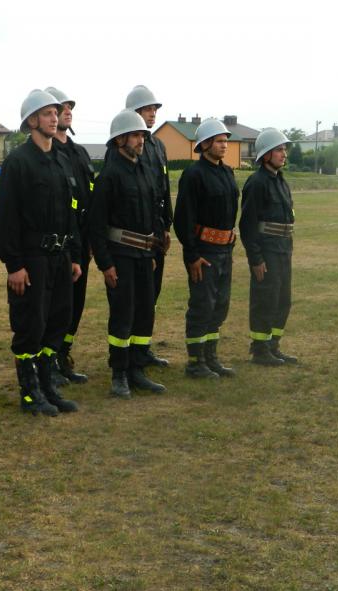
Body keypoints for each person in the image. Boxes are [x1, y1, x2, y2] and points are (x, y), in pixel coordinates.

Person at [0, 89, 82, 416]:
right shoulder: (18, 162)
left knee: (57, 321)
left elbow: (71, 211)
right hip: (32, 259)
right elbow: (6, 218)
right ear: (32, 120)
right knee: (31, 325)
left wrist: (73, 255)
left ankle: (47, 386)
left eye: (56, 113)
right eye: (47, 113)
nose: (54, 118)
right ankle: (30, 393)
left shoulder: (62, 160)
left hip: (60, 257)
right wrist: (15, 265)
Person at [89, 110, 166, 398]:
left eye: (142, 135)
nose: (141, 140)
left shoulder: (145, 172)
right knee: (123, 315)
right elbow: (96, 224)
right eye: (135, 135)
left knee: (145, 314)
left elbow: (153, 213)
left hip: (145, 256)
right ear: (120, 139)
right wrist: (105, 264)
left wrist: (154, 250)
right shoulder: (109, 176)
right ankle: (119, 373)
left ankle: (137, 369)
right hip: (120, 257)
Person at [106, 84, 174, 369]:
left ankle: (141, 349)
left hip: (154, 229)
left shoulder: (157, 146)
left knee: (150, 294)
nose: (152, 114)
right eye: (147, 109)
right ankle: (125, 358)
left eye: (154, 109)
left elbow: (163, 188)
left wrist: (166, 225)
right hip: (130, 234)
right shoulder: (120, 150)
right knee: (129, 299)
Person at [173, 118, 239, 379]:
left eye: (225, 141)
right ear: (205, 144)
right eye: (219, 141)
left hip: (224, 251)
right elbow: (183, 219)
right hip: (203, 252)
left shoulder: (228, 173)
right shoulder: (193, 175)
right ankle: (195, 362)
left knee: (220, 305)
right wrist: (192, 255)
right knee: (203, 305)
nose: (224, 145)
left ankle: (211, 358)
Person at [44, 86, 94, 386]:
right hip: (58, 241)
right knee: (55, 305)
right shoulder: (50, 154)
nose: (66, 112)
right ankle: (47, 360)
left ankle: (63, 355)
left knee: (75, 304)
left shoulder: (79, 153)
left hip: (81, 242)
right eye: (60, 108)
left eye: (69, 107)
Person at [239, 128, 299, 366]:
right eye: (279, 150)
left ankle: (274, 346)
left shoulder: (281, 181)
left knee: (282, 299)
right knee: (265, 299)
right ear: (266, 155)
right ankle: (260, 349)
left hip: (283, 249)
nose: (284, 154)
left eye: (284, 149)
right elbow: (247, 224)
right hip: (267, 251)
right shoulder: (257, 183)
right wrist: (256, 258)